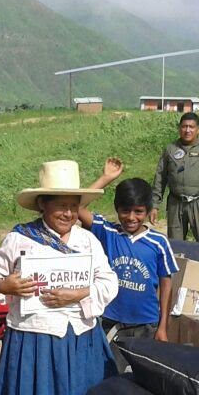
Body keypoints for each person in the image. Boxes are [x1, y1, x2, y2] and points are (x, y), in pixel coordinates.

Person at [0, 160, 118, 395]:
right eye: (60, 205)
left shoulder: (87, 241)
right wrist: (5, 284)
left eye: (73, 206)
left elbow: (109, 281)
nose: (68, 213)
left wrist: (78, 294)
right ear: (43, 204)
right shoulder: (20, 239)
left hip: (80, 337)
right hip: (35, 338)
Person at [78, 158, 178, 369]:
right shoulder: (107, 232)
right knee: (109, 376)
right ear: (116, 209)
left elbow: (166, 285)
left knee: (143, 381)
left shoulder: (158, 243)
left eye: (138, 212)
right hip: (111, 323)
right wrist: (105, 178)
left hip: (146, 326)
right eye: (125, 211)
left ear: (149, 211)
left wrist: (163, 327)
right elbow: (76, 206)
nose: (131, 217)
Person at [151, 112, 199, 243]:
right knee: (175, 245)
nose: (187, 130)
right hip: (176, 203)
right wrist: (154, 205)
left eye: (191, 127)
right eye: (184, 126)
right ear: (179, 128)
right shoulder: (170, 149)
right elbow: (160, 177)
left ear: (198, 130)